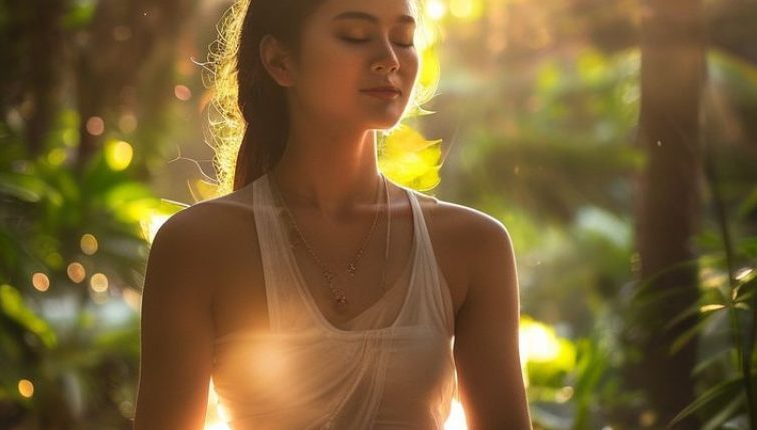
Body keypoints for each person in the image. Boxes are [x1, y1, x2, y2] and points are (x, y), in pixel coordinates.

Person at [133, 0, 532, 429]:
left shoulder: (472, 245)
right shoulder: (199, 245)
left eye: (403, 39)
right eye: (355, 37)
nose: (390, 59)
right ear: (280, 60)